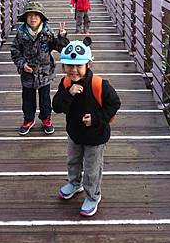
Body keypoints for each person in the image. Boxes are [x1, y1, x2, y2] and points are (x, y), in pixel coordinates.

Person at [52, 38, 121, 216]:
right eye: (69, 66)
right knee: (73, 161)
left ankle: (93, 195)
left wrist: (96, 118)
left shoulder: (99, 85)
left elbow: (114, 104)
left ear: (88, 64)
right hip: (75, 133)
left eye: (79, 66)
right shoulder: (66, 84)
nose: (74, 70)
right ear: (63, 67)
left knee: (92, 167)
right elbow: (57, 106)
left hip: (96, 136)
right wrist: (68, 93)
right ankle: (74, 184)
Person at [10, 1, 68, 135]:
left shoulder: (48, 32)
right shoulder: (21, 33)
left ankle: (46, 118)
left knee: (45, 98)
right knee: (28, 98)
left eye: (37, 15)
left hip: (44, 72)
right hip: (28, 73)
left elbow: (60, 48)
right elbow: (15, 51)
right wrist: (22, 64)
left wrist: (62, 37)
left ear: (42, 17)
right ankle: (28, 119)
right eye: (30, 15)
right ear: (25, 18)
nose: (33, 18)